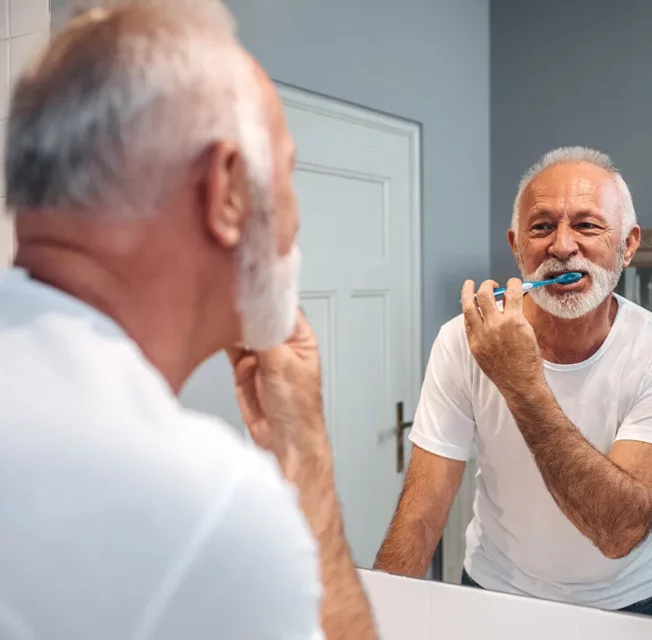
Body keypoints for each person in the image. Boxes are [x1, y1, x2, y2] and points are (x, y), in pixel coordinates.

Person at [0, 1, 375, 639]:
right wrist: (304, 451)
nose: (297, 218)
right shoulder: (202, 506)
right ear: (226, 190)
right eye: (288, 174)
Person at [374, 146, 652, 620]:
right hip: (492, 593)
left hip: (628, 607)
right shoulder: (462, 341)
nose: (562, 246)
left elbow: (619, 531)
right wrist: (374, 619)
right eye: (542, 226)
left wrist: (522, 384)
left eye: (587, 225)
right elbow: (422, 513)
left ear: (628, 245)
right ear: (516, 246)